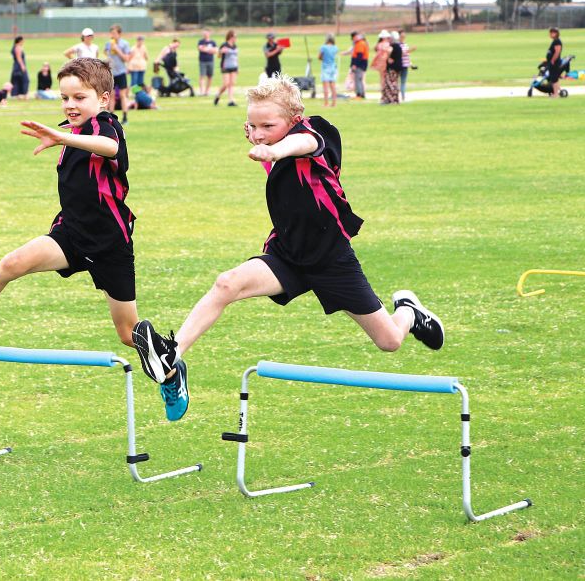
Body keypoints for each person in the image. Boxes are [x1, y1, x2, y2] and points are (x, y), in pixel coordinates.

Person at [131, 75, 445, 421]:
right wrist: (265, 140)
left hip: (331, 258)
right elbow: (271, 143)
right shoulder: (267, 140)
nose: (259, 133)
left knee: (389, 341)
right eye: (252, 126)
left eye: (268, 125)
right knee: (227, 283)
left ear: (295, 120)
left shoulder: (315, 133)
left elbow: (303, 143)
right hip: (288, 254)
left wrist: (273, 150)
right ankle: (171, 358)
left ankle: (409, 311)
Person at [0, 57, 139, 353]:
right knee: (12, 263)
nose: (70, 105)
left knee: (128, 334)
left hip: (109, 242)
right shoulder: (74, 131)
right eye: (64, 98)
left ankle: (170, 366)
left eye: (79, 98)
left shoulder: (105, 124)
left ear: (103, 99)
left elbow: (110, 147)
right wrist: (65, 137)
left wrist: (61, 138)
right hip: (71, 234)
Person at [105, 24, 131, 124]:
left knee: (122, 95)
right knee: (111, 95)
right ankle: (111, 118)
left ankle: (125, 117)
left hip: (121, 72)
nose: (112, 35)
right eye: (111, 33)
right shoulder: (108, 44)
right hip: (112, 73)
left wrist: (117, 49)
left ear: (119, 34)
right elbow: (107, 54)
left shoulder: (124, 44)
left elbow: (126, 58)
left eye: (114, 33)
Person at [214, 30, 239, 106]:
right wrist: (221, 52)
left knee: (232, 84)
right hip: (225, 66)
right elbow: (218, 56)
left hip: (234, 66)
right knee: (226, 84)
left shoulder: (235, 46)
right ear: (230, 37)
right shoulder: (224, 45)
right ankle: (218, 94)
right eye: (235, 37)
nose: (236, 38)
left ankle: (231, 100)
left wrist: (237, 67)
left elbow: (235, 57)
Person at [343, 31, 368, 99]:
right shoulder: (359, 43)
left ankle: (359, 94)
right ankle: (361, 94)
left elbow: (359, 55)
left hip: (360, 64)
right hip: (361, 63)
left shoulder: (360, 43)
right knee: (359, 79)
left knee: (358, 79)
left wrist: (355, 65)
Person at [318, 34, 339, 107]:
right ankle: (334, 103)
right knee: (333, 86)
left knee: (325, 87)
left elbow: (319, 57)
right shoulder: (335, 47)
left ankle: (326, 103)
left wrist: (323, 58)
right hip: (333, 67)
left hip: (325, 67)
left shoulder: (323, 47)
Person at [383, 32, 402, 105]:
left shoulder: (393, 47)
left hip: (392, 68)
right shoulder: (399, 47)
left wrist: (388, 58)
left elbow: (389, 57)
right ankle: (394, 99)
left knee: (390, 84)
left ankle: (391, 100)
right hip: (397, 68)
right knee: (394, 84)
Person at [197, 29, 218, 96]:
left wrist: (206, 49)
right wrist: (210, 50)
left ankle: (207, 91)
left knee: (210, 76)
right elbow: (200, 48)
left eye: (207, 33)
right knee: (202, 76)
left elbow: (216, 51)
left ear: (209, 34)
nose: (205, 35)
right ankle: (201, 91)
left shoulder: (213, 42)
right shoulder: (201, 41)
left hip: (210, 61)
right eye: (204, 33)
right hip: (202, 61)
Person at [371, 30, 390, 101]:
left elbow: (377, 53)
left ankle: (383, 93)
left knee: (382, 78)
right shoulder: (387, 44)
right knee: (386, 78)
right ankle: (386, 93)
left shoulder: (379, 44)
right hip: (385, 62)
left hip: (380, 63)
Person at [545, 27, 563, 99]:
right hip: (552, 62)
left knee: (554, 78)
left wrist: (553, 60)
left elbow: (557, 52)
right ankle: (559, 92)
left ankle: (556, 94)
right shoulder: (555, 41)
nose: (550, 34)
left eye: (551, 33)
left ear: (555, 33)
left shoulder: (557, 41)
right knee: (553, 78)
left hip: (555, 63)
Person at [399, 32, 416, 102]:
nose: (403, 38)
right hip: (399, 65)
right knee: (396, 82)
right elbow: (399, 54)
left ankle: (403, 97)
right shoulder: (397, 45)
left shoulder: (405, 45)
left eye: (404, 36)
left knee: (403, 82)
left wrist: (411, 64)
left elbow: (407, 56)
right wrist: (410, 50)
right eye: (401, 36)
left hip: (405, 65)